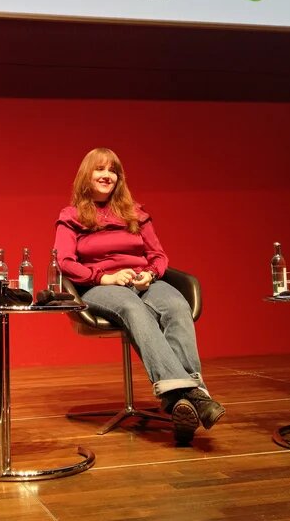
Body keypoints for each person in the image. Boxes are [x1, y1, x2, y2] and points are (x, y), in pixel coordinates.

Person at [54, 147, 225, 445]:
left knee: (176, 304)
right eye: (100, 169)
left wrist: (151, 274)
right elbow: (65, 262)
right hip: (99, 286)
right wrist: (104, 276)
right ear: (86, 175)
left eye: (113, 171)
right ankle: (195, 395)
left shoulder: (135, 212)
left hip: (141, 280)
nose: (107, 175)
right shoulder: (72, 216)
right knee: (133, 308)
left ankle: (180, 401)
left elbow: (158, 255)